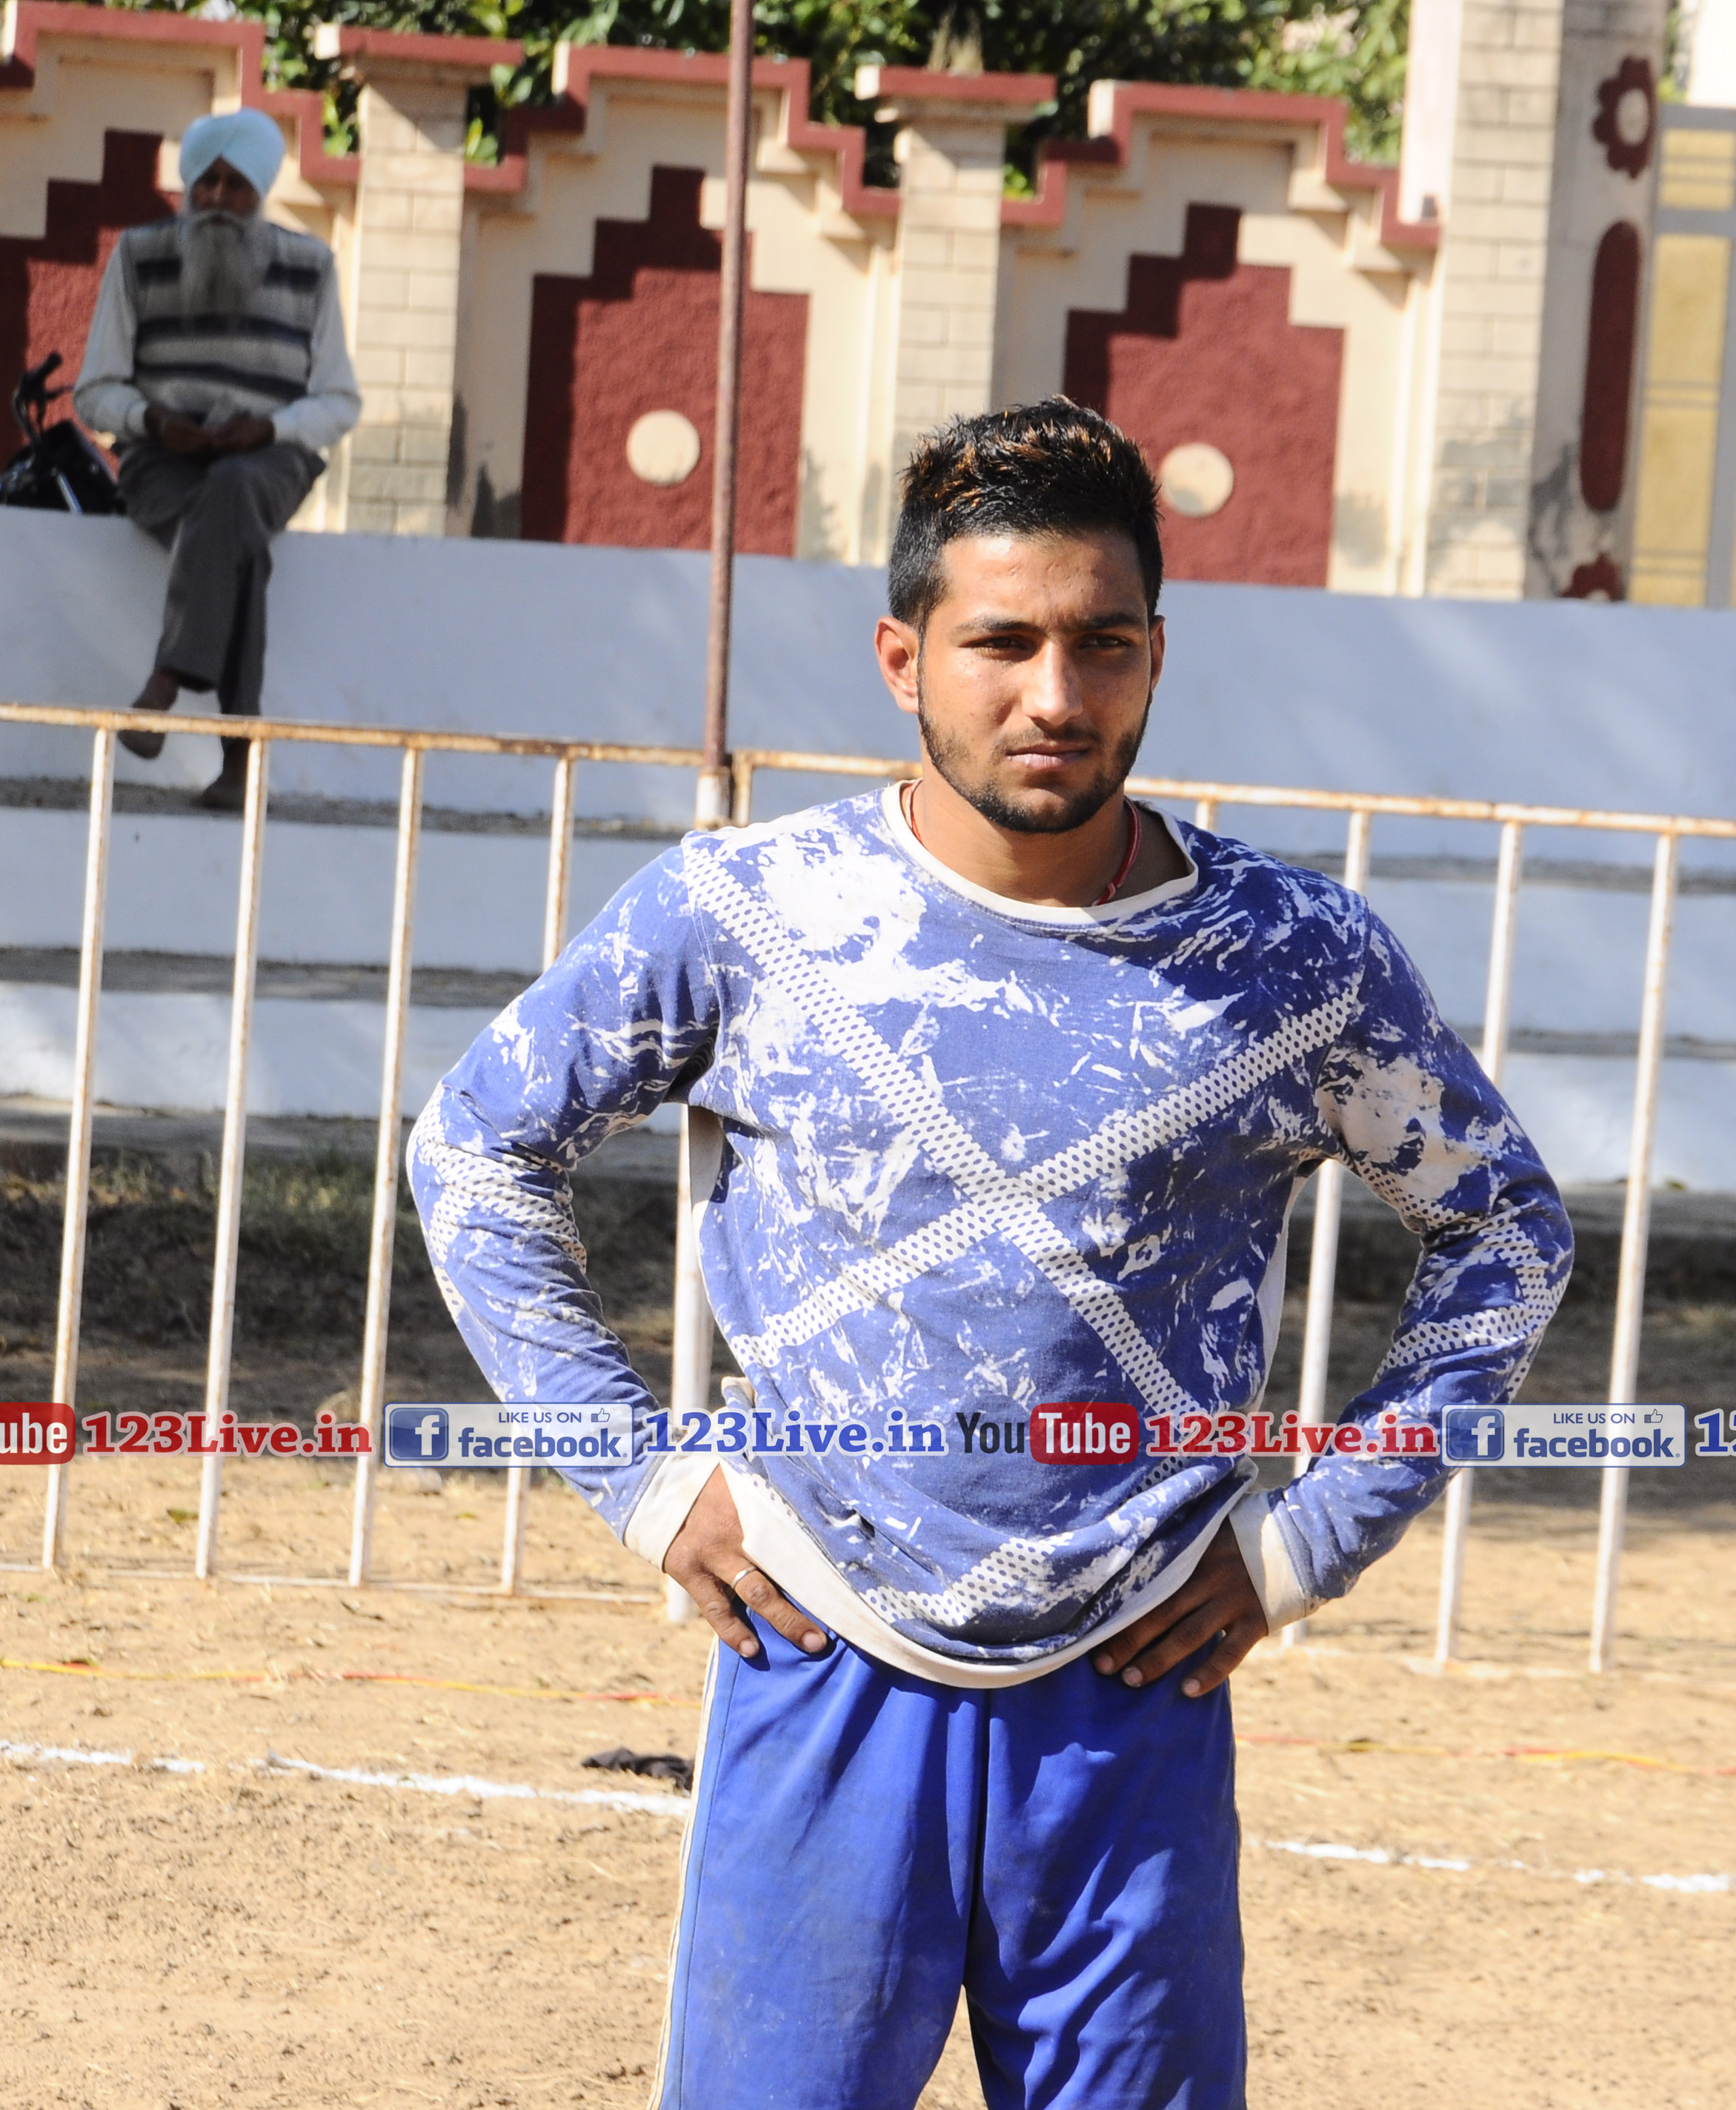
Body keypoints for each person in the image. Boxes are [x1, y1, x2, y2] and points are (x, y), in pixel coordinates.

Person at [411, 399, 1572, 2108]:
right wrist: (643, 1477)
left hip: (1133, 1680)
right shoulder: (743, 912)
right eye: (1000, 643)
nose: (1054, 694)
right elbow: (475, 1145)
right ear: (902, 656)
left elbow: (1503, 1228)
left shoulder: (1290, 955)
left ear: (1155, 655)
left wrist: (1308, 1538)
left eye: (1102, 643)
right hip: (818, 1653)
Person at [73, 108, 358, 813]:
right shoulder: (139, 255)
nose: (219, 200)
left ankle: (166, 682)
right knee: (240, 548)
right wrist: (152, 420)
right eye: (207, 182)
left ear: (260, 190)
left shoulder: (311, 264)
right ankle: (239, 760)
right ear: (188, 185)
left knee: (234, 487)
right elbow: (95, 391)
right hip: (161, 458)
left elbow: (338, 402)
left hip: (270, 457)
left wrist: (270, 427)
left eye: (236, 185)